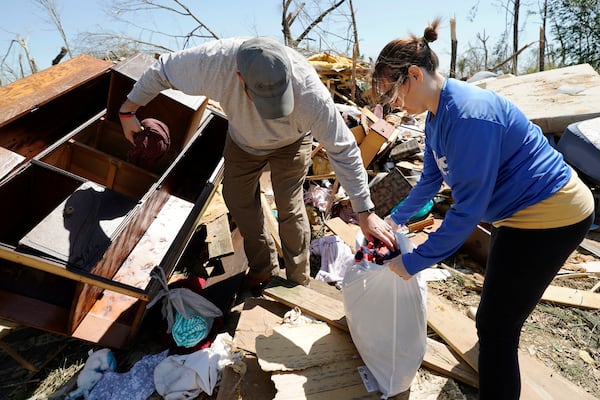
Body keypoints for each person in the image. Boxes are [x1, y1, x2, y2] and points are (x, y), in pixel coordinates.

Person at [372, 19, 595, 399]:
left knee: (495, 328)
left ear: (413, 74)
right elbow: (429, 179)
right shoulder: (435, 117)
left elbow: (467, 210)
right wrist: (393, 219)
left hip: (555, 214)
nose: (393, 105)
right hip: (519, 214)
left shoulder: (469, 116)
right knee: (497, 307)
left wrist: (412, 263)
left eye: (392, 94)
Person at [118, 36, 396, 289]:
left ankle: (298, 280)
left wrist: (364, 210)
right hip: (243, 143)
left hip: (292, 143)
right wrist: (128, 110)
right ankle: (264, 269)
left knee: (289, 205)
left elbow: (344, 149)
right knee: (237, 199)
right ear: (240, 79)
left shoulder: (311, 94)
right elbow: (163, 69)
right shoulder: (214, 63)